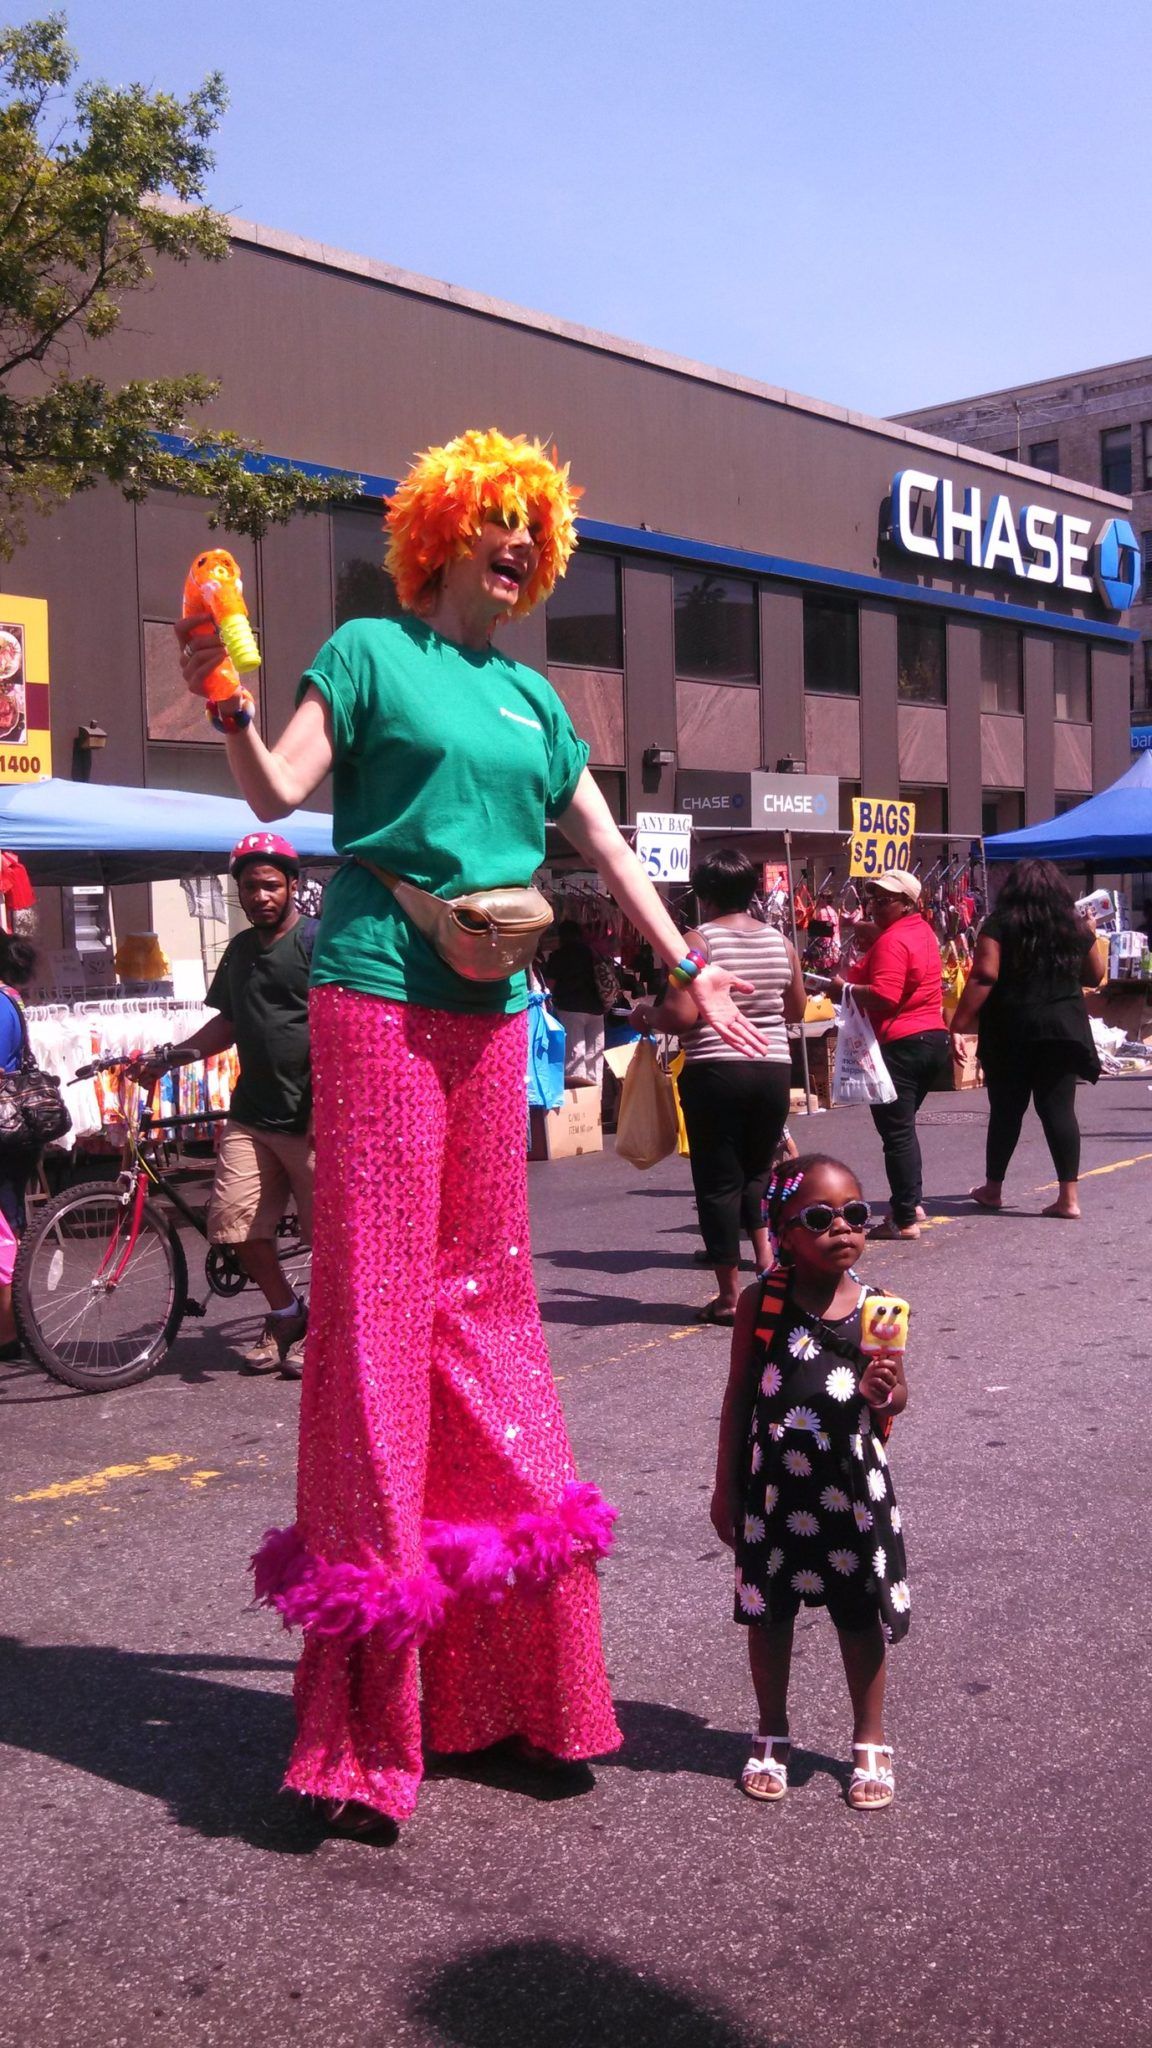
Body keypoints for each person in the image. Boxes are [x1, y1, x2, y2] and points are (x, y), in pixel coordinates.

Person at [175, 428, 766, 1836]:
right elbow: (277, 794)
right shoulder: (373, 656)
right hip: (375, 997)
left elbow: (610, 848)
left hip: (494, 1017)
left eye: (534, 529)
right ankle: (366, 1730)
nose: (516, 542)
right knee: (379, 1315)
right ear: (440, 532)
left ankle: (502, 1694)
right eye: (494, 520)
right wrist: (225, 693)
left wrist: (689, 973)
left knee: (488, 1306)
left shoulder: (530, 699)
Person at [711, 1153, 910, 1812]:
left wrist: (886, 1393)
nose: (843, 1229)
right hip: (774, 1487)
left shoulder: (881, 1308)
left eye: (856, 1214)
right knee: (769, 1614)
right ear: (783, 1230)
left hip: (852, 1486)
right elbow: (739, 1396)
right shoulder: (761, 1303)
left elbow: (896, 1397)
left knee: (859, 1613)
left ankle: (870, 1739)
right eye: (819, 1218)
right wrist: (725, 1487)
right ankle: (771, 1730)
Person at [139, 834, 316, 1375]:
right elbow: (229, 1023)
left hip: (315, 1118)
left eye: (270, 885)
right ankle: (287, 1313)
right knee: (235, 1228)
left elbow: (349, 1023)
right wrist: (174, 1057)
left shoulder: (318, 942)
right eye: (249, 888)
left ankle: (328, 1330)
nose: (260, 896)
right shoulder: (240, 951)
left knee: (331, 1240)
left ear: (293, 886)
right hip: (252, 1113)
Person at [633, 848, 804, 1323]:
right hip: (772, 1068)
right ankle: (767, 1267)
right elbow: (794, 1010)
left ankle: (730, 1298)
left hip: (716, 1070)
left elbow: (681, 1013)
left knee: (717, 1183)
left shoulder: (698, 942)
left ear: (704, 895)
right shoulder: (781, 942)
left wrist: (646, 1013)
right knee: (758, 1174)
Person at [950, 858, 1107, 1220]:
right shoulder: (1073, 927)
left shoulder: (1000, 925)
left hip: (1012, 1028)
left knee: (1006, 1110)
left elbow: (985, 975)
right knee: (1059, 1110)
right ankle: (1068, 1198)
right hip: (1063, 1030)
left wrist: (958, 1024)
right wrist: (1091, 933)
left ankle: (993, 1189)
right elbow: (1095, 976)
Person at [830, 870, 947, 1242]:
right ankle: (911, 1203)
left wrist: (845, 989)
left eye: (886, 901)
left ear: (908, 904)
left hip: (903, 1042)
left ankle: (903, 1217)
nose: (877, 907)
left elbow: (884, 995)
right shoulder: (920, 932)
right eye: (874, 900)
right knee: (903, 1128)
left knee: (896, 1132)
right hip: (931, 1039)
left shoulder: (893, 941)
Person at [0, 933, 41, 1357]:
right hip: (9, 1134)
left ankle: (10, 1331)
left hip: (4, 1133)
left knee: (5, 1231)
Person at [544, 918, 607, 1087]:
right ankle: (596, 1102)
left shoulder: (559, 955)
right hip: (596, 1008)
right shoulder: (592, 953)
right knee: (595, 1057)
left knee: (575, 1057)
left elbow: (550, 985)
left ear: (561, 937)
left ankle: (578, 1104)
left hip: (570, 1009)